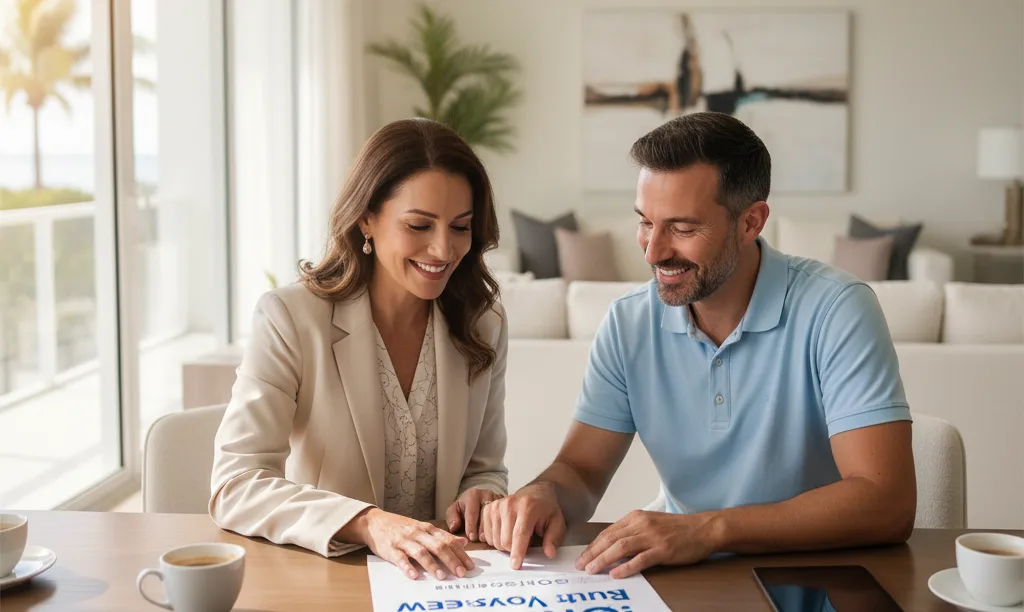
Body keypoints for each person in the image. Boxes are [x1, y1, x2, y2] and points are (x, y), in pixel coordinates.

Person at [480, 111, 916, 578]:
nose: (652, 252)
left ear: (751, 222)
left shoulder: (838, 310)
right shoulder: (628, 321)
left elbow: (886, 501)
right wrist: (545, 491)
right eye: (646, 222)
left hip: (817, 577)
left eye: (683, 229)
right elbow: (581, 470)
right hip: (686, 573)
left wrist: (707, 530)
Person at [210, 118, 509, 581]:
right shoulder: (290, 317)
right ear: (366, 218)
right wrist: (369, 524)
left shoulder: (482, 324)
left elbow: (484, 469)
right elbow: (235, 484)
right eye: (419, 225)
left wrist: (484, 495)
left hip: (444, 583)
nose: (443, 248)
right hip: (330, 578)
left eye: (461, 227)